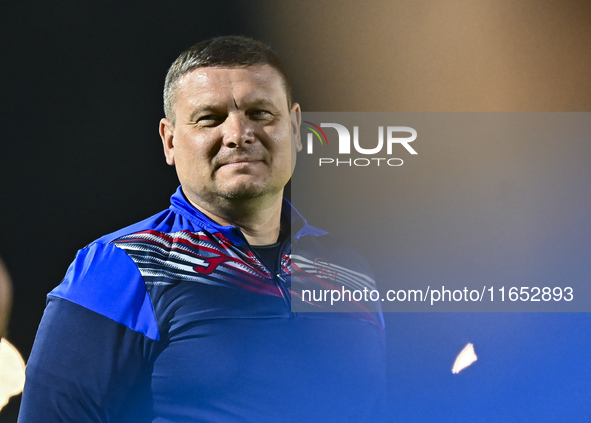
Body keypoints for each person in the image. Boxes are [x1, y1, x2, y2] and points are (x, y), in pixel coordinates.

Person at [18, 36, 385, 423]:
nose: (238, 134)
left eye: (260, 113)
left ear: (295, 127)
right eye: (209, 118)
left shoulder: (348, 269)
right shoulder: (121, 266)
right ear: (170, 140)